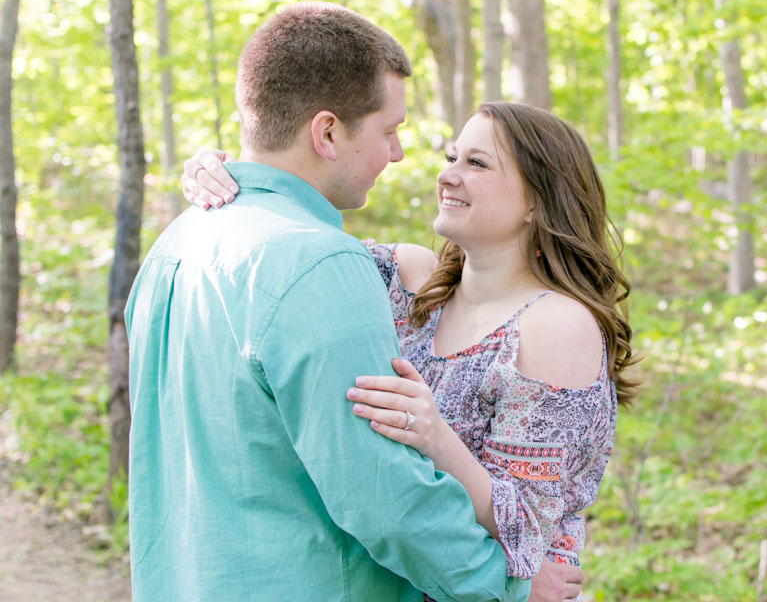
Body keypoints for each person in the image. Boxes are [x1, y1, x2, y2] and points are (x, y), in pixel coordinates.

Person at [126, 2, 581, 602]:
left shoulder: (176, 244)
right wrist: (510, 585)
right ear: (327, 132)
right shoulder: (321, 264)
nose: (397, 155)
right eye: (389, 131)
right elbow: (384, 497)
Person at [181, 101, 640, 599]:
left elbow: (528, 527)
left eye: (477, 164)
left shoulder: (556, 324)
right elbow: (295, 246)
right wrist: (226, 176)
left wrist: (436, 437)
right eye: (451, 157)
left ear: (537, 200)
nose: (449, 176)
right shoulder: (411, 282)